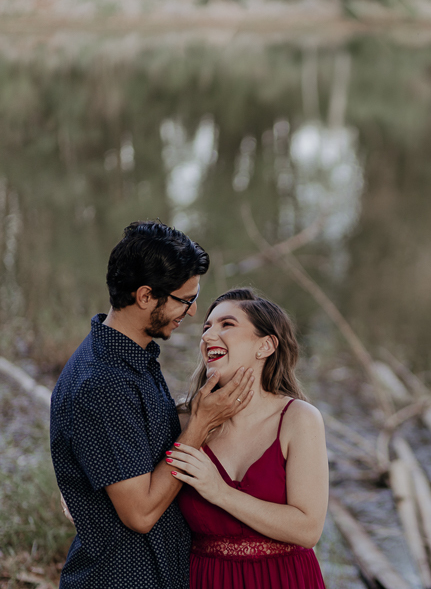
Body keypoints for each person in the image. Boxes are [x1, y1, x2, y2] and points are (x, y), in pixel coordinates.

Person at [50, 221, 255, 589]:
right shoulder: (104, 382)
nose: (192, 313)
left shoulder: (131, 358)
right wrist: (199, 426)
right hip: (121, 579)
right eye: (184, 300)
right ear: (145, 296)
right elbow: (140, 514)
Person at [168, 287, 328, 589]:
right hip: (207, 580)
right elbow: (134, 479)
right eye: (207, 327)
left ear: (265, 345)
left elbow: (308, 529)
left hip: (286, 579)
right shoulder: (184, 422)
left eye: (226, 325)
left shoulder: (299, 419)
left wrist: (220, 492)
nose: (208, 336)